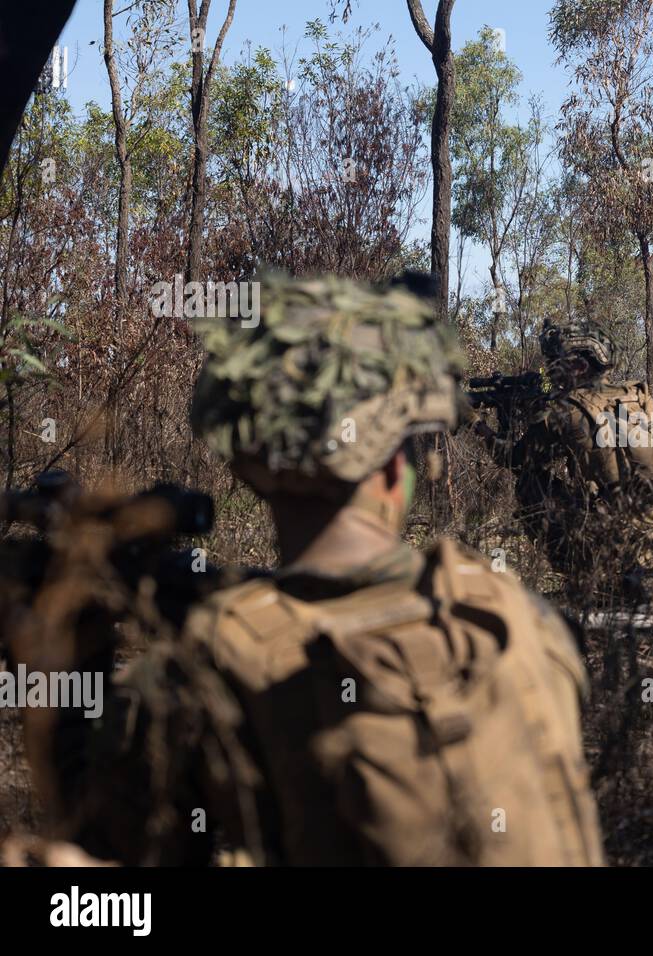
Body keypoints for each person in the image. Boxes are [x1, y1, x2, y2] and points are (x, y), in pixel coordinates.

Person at [17, 272, 604, 866]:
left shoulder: (202, 674)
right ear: (400, 466)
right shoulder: (524, 622)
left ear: (250, 465)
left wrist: (70, 646)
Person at [473, 317, 653, 603]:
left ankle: (590, 581)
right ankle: (625, 577)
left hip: (616, 545)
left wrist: (475, 424)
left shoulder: (565, 411)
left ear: (578, 366)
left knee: (529, 483)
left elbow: (514, 459)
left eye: (554, 362)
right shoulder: (635, 397)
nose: (548, 370)